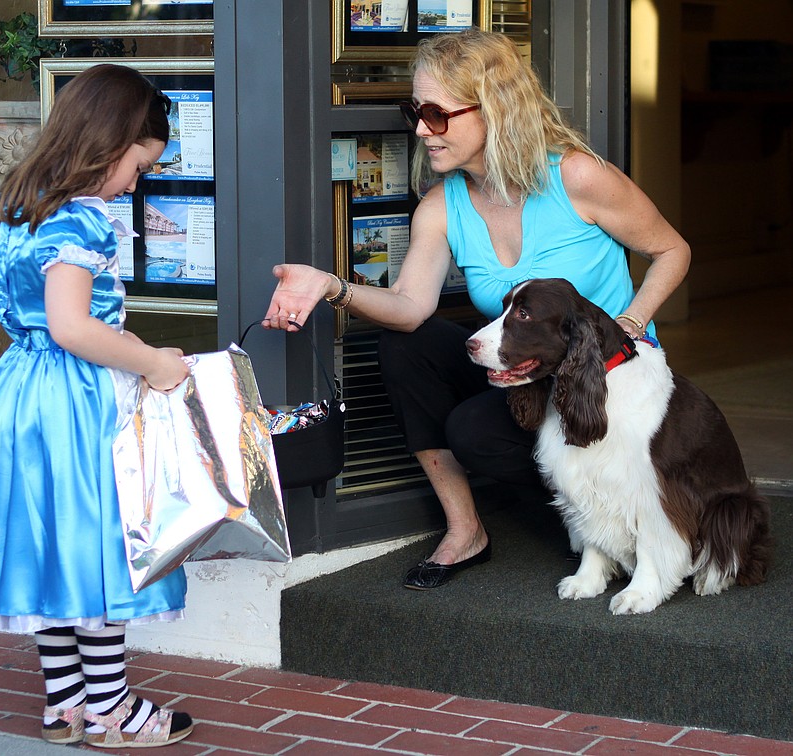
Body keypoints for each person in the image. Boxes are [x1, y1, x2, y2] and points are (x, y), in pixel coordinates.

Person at [264, 29, 690, 591]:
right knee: (404, 345)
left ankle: (605, 513)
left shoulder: (578, 178)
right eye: (415, 111)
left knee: (473, 431)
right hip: (529, 379)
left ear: (494, 109)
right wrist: (329, 286)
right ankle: (466, 529)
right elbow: (410, 308)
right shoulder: (444, 206)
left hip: (605, 382)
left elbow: (671, 250)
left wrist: (631, 326)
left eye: (437, 114)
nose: (421, 129)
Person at [0, 64, 195, 747]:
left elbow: (44, 319)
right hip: (76, 397)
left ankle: (65, 704)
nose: (136, 182)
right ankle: (112, 710)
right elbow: (73, 326)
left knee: (52, 550)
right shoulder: (82, 220)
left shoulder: (19, 204)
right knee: (99, 546)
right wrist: (151, 364)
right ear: (109, 144)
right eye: (139, 165)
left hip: (22, 390)